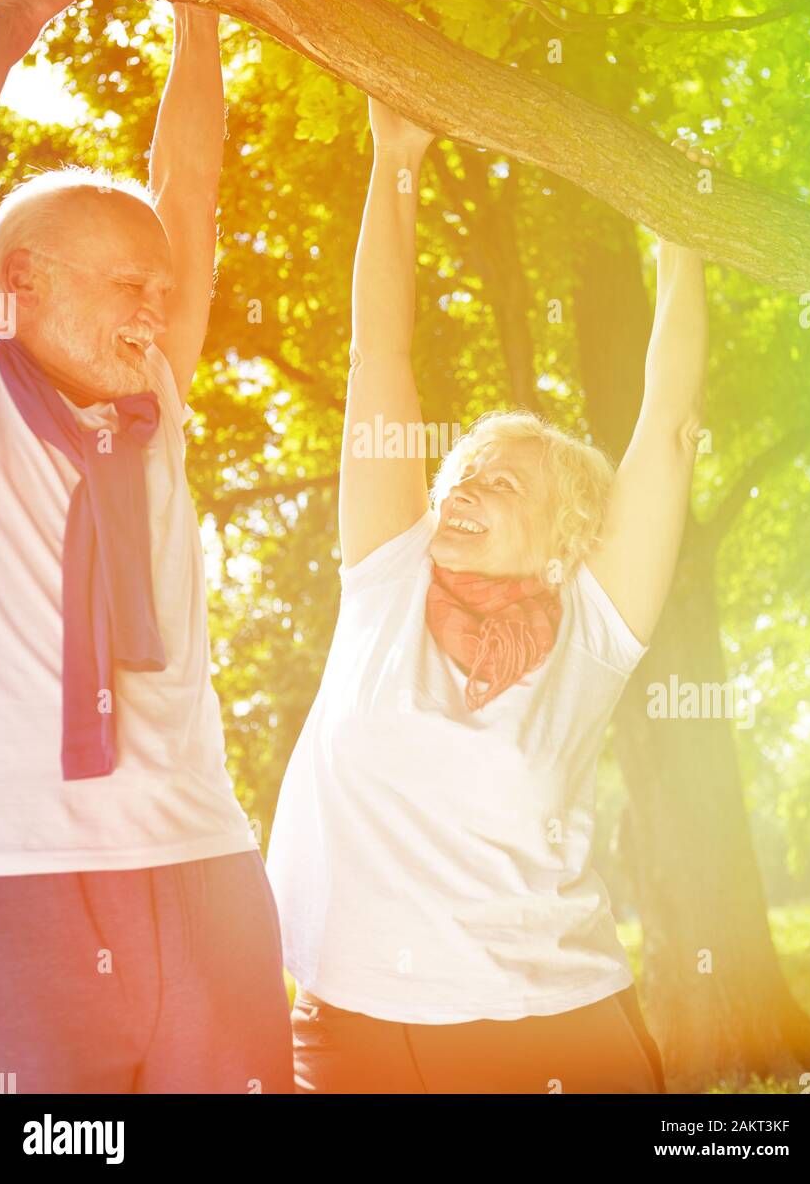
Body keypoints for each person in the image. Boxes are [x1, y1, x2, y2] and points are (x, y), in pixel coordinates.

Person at [265, 96, 711, 1094]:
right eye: (461, 474)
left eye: (503, 484)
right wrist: (394, 159)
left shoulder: (591, 630)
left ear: (562, 545)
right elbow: (378, 356)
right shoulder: (386, 578)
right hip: (358, 1028)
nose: (464, 488)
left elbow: (669, 427)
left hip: (552, 1029)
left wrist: (680, 240)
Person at [0, 0, 293, 1094]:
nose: (156, 305)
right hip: (10, 870)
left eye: (159, 289)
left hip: (199, 857)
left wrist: (198, 13)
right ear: (22, 284)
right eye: (123, 285)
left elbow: (191, 195)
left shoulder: (156, 394)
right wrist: (9, 29)